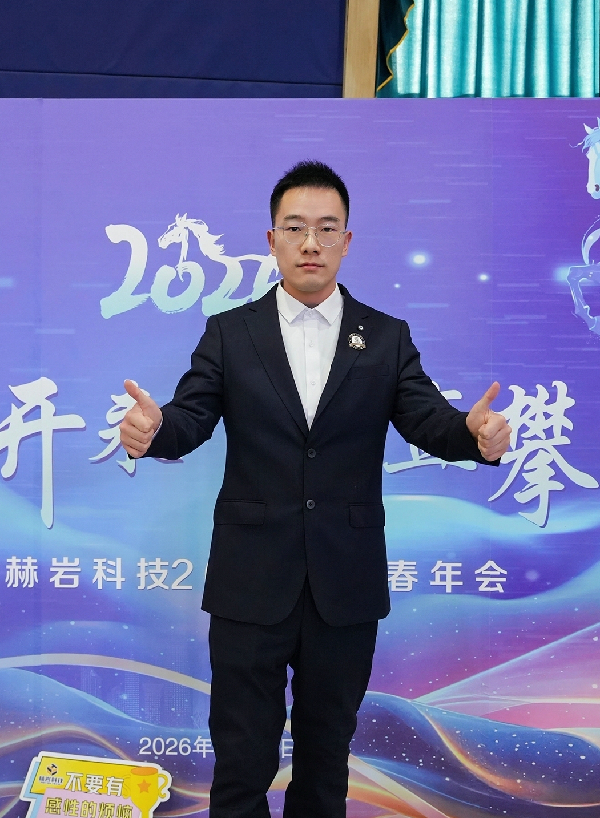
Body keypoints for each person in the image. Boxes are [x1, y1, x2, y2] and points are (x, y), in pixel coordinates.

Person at [120, 161, 511, 818]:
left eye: (327, 229)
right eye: (295, 228)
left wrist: (475, 435)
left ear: (347, 241)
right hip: (251, 580)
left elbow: (428, 420)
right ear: (271, 239)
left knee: (327, 760)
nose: (311, 243)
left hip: (345, 582)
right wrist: (154, 431)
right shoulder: (231, 332)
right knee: (241, 760)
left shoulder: (385, 337)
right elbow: (190, 418)